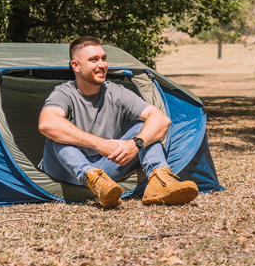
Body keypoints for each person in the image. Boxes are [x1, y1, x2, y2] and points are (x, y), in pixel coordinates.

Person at [38, 36, 198, 209]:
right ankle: (93, 177)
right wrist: (99, 144)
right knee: (58, 135)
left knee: (146, 130)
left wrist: (135, 144)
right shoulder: (64, 93)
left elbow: (162, 120)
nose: (102, 65)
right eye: (94, 60)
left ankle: (160, 182)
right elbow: (47, 124)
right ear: (76, 66)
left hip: (108, 171)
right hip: (64, 171)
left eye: (104, 59)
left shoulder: (115, 91)